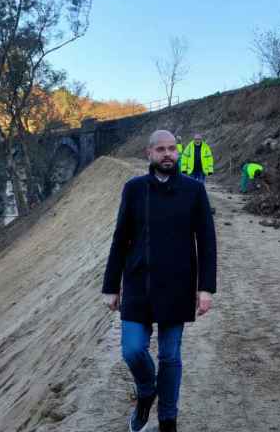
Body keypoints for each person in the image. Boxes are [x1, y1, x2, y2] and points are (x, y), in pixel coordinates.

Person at [102, 130, 217, 432]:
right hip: (138, 284)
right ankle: (145, 391)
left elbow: (207, 241)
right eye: (161, 149)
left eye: (172, 149)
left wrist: (205, 288)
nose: (168, 154)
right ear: (149, 153)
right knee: (132, 350)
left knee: (170, 356)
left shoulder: (194, 190)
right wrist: (111, 286)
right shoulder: (134, 189)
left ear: (178, 152)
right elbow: (120, 239)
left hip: (178, 286)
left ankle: (168, 421)